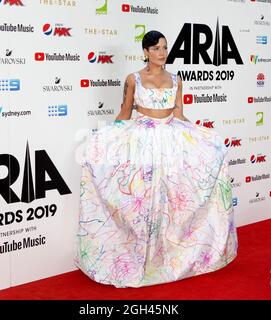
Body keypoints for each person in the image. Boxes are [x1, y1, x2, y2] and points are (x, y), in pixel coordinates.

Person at [75, 30, 238, 288]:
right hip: (143, 141)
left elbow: (180, 114)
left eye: (164, 47)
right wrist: (103, 140)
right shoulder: (134, 80)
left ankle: (170, 259)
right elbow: (125, 112)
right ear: (146, 52)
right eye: (156, 49)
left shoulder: (176, 79)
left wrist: (204, 137)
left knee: (173, 202)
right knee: (143, 203)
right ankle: (142, 259)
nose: (162, 53)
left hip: (172, 141)